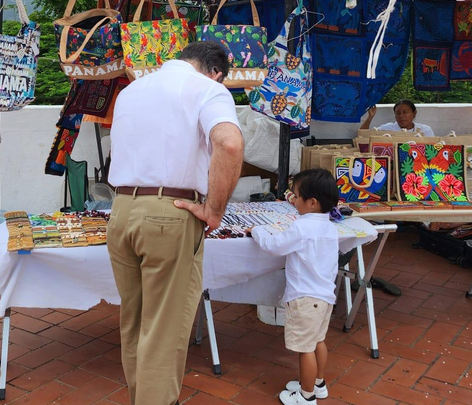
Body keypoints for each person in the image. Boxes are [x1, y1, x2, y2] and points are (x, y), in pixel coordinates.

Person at [107, 41, 245, 405]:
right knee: (163, 332)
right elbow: (229, 144)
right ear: (216, 71)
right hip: (170, 212)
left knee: (134, 324)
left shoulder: (132, 89)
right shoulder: (209, 89)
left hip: (121, 209)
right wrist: (215, 211)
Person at [251, 168, 340, 404]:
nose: (293, 200)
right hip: (324, 297)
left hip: (304, 298)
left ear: (311, 202)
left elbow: (274, 246)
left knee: (305, 349)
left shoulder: (302, 227)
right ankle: (318, 383)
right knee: (318, 340)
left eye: (295, 196)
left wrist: (257, 231)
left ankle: (306, 396)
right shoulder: (330, 227)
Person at [359, 100, 435, 137]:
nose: (401, 116)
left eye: (405, 112)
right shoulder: (387, 128)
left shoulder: (425, 130)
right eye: (398, 113)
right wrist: (370, 118)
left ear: (414, 113)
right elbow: (362, 136)